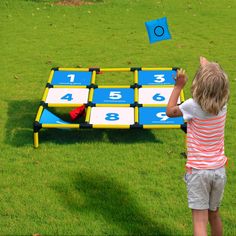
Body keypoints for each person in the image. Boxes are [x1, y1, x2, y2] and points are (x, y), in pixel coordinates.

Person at [166, 56, 230, 236]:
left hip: (198, 172)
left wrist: (178, 86)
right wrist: (208, 67)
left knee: (199, 220)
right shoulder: (222, 105)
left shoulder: (193, 106)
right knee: (214, 215)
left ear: (199, 85)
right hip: (218, 171)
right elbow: (215, 84)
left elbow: (170, 111)